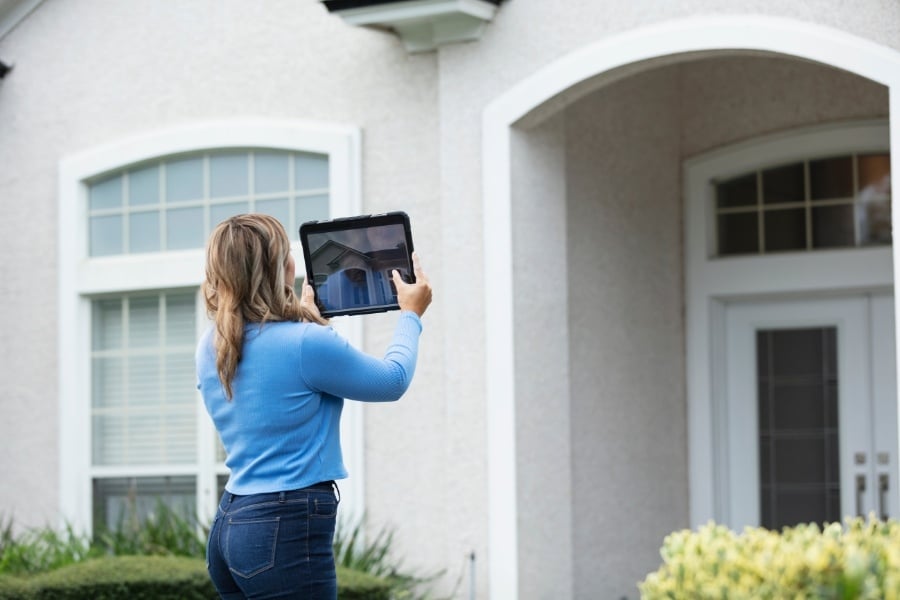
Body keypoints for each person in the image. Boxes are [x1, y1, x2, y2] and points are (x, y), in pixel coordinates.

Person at [196, 213, 432, 599]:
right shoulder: (305, 344)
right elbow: (392, 381)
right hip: (283, 525)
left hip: (231, 526)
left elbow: (273, 393)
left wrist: (308, 322)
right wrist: (411, 315)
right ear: (283, 268)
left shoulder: (211, 345)